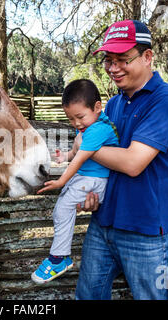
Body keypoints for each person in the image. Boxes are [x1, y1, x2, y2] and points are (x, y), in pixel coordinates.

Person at [74, 20, 168, 300]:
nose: (113, 68)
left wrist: (83, 146)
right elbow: (104, 160)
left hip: (148, 233)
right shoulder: (113, 104)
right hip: (104, 225)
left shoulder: (166, 101)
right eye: (108, 61)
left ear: (147, 57)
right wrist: (92, 190)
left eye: (123, 59)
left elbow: (132, 163)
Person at [31, 79, 119, 284]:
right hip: (86, 178)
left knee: (63, 208)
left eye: (80, 117)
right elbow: (76, 152)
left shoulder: (99, 129)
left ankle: (59, 258)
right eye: (71, 119)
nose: (76, 123)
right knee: (63, 209)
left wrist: (61, 181)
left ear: (98, 107)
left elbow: (81, 158)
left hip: (94, 180)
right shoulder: (88, 126)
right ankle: (59, 255)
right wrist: (65, 157)